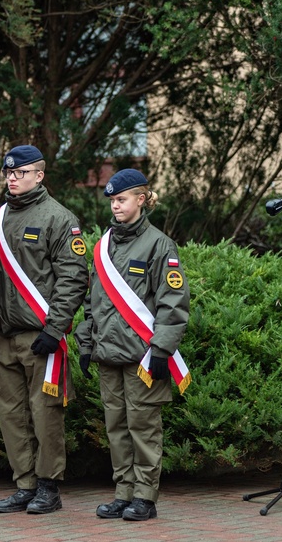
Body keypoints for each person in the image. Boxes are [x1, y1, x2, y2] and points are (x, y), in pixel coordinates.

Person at [73, 168, 190, 521]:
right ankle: (123, 492)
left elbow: (173, 303)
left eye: (121, 199)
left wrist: (161, 350)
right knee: (117, 428)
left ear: (141, 199)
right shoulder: (103, 246)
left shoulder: (159, 244)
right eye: (112, 201)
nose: (115, 206)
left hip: (142, 356)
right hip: (108, 354)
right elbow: (94, 302)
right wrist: (84, 342)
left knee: (143, 428)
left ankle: (145, 496)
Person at [0, 145, 90, 514]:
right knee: (11, 415)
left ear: (40, 175)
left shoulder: (59, 218)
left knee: (45, 414)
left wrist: (55, 327)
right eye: (9, 173)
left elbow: (73, 277)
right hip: (4, 335)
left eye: (21, 172)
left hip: (40, 335)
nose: (12, 178)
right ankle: (25, 484)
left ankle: (48, 486)